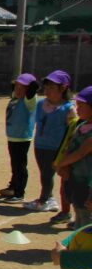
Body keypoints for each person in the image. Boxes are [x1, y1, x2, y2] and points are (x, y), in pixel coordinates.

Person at [24, 70, 76, 213]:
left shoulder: (68, 108)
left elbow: (73, 131)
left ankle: (43, 200)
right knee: (44, 174)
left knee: (50, 174)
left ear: (63, 88)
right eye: (46, 87)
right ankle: (49, 198)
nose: (47, 91)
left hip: (57, 148)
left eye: (52, 88)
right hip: (40, 145)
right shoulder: (41, 104)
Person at [54, 85, 92, 229]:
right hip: (76, 177)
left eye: (82, 105)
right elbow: (69, 148)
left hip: (88, 182)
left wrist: (61, 164)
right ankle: (78, 241)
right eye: (77, 105)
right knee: (79, 209)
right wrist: (65, 167)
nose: (77, 109)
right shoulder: (80, 126)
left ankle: (84, 248)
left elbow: (81, 152)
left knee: (87, 215)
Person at [0, 73, 39, 203]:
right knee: (14, 164)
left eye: (22, 88)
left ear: (29, 90)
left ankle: (19, 193)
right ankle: (13, 186)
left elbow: (32, 94)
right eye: (16, 86)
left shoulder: (29, 101)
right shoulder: (14, 98)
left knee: (20, 166)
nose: (18, 89)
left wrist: (30, 88)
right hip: (12, 137)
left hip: (22, 138)